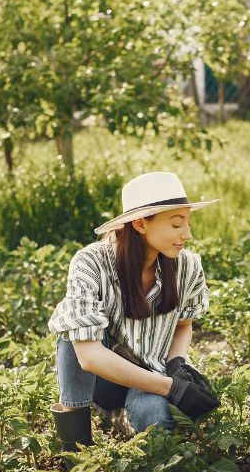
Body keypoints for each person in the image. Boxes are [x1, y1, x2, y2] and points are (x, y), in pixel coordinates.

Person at [47, 171, 221, 448]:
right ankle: (75, 447)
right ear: (140, 224)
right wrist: (171, 388)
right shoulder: (91, 262)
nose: (187, 234)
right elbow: (89, 357)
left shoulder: (188, 266)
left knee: (156, 419)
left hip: (150, 374)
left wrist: (176, 363)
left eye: (188, 222)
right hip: (102, 380)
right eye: (176, 224)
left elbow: (184, 324)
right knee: (72, 332)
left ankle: (121, 418)